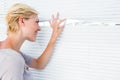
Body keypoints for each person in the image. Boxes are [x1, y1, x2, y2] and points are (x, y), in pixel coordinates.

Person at [0, 3, 66, 80]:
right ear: (22, 21)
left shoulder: (11, 52)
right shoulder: (12, 59)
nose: (39, 28)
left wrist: (54, 36)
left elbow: (39, 64)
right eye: (36, 22)